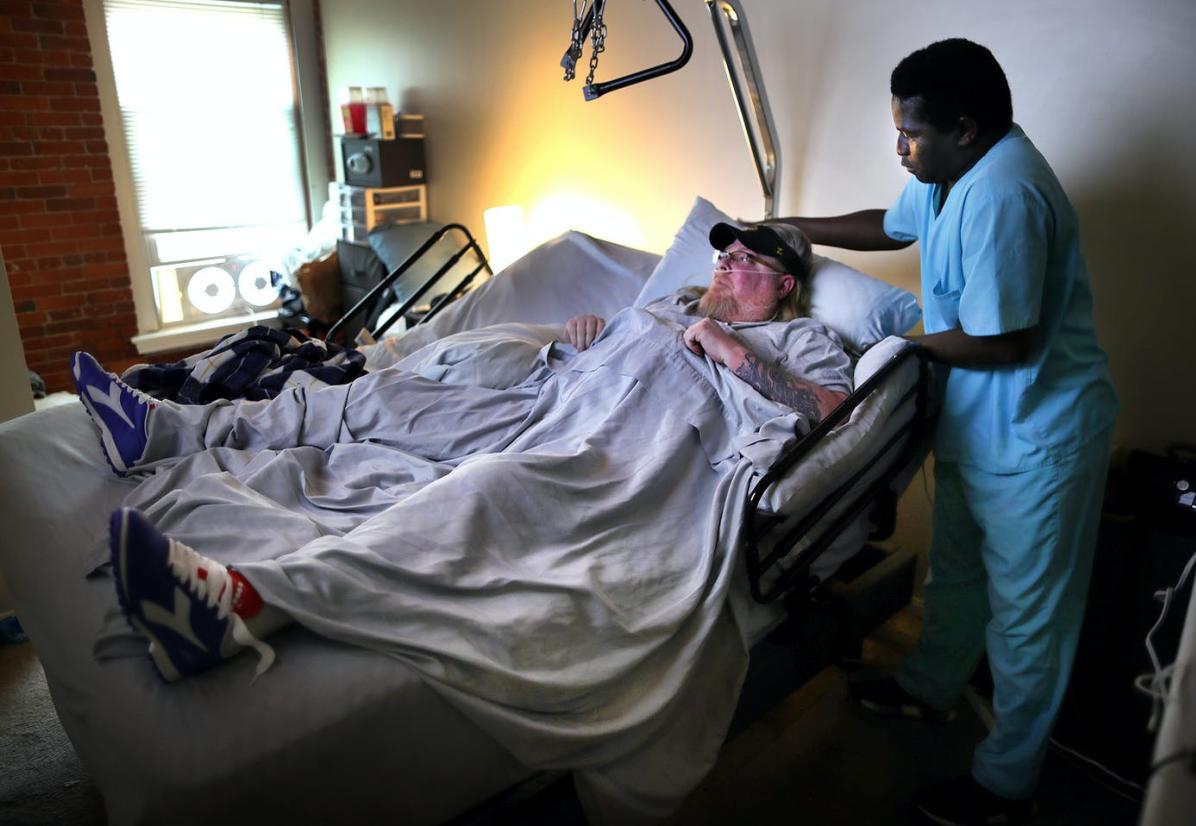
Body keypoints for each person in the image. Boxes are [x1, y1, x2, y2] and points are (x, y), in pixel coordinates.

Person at [71, 221, 851, 683]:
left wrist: (730, 352)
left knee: (482, 489)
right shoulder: (668, 303)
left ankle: (248, 601)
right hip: (544, 402)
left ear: (783, 286)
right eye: (723, 254)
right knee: (388, 396)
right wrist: (586, 340)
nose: (726, 265)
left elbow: (832, 412)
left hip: (615, 453)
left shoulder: (798, 339)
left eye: (748, 259)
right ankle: (169, 430)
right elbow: (603, 360)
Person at [776, 38, 1118, 826]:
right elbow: (890, 227)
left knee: (1029, 621)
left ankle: (1008, 786)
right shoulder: (949, 171)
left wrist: (898, 347)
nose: (900, 148)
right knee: (956, 575)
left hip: (1041, 438)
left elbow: (1010, 341)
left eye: (911, 135)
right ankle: (928, 689)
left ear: (964, 128)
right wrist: (785, 223)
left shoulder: (1005, 193)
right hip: (979, 426)